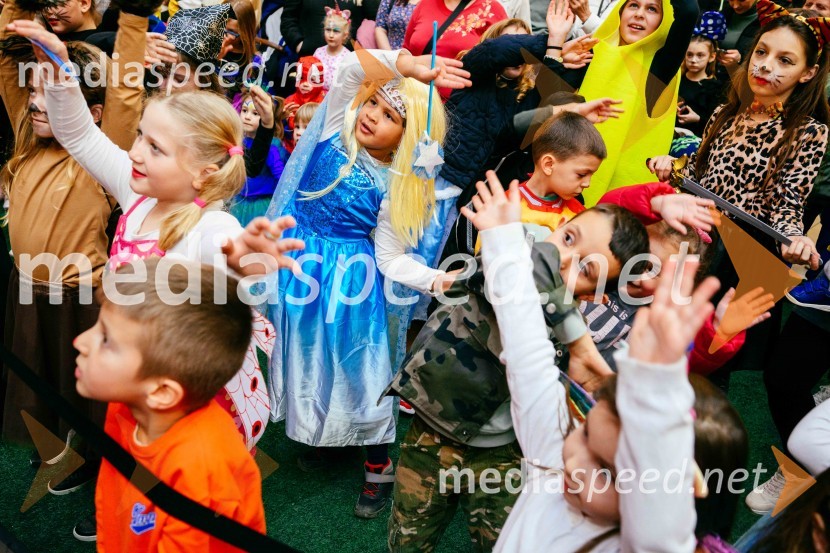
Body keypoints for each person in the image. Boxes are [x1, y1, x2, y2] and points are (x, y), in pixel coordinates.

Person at [465, 176, 748, 552]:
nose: (573, 460)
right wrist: (502, 244)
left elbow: (660, 529)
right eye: (581, 435)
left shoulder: (637, 544)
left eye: (607, 472)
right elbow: (527, 354)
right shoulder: (553, 459)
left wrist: (661, 374)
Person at [385, 176, 650, 551]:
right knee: (408, 541)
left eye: (586, 270)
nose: (564, 260)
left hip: (503, 453)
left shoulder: (578, 327)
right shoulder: (514, 244)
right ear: (558, 226)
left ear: (595, 296)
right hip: (433, 433)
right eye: (569, 238)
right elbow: (521, 277)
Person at [263, 47, 470, 518]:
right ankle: (326, 434)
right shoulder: (336, 127)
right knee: (305, 360)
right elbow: (352, 71)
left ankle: (379, 464)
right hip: (299, 273)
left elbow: (392, 259)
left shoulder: (396, 183)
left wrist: (437, 280)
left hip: (347, 289)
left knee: (361, 373)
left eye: (391, 115)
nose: (372, 116)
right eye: (373, 103)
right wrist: (404, 65)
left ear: (408, 135)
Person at [0, 0, 147, 493]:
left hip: (81, 298)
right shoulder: (29, 134)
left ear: (94, 113)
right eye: (35, 91)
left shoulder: (98, 154)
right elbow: (7, 65)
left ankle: (105, 470)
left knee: (97, 402)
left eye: (53, 93)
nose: (39, 102)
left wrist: (134, 17)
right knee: (50, 386)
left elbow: (126, 93)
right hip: (29, 291)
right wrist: (16, 7)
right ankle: (72, 450)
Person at [74, 259, 267, 551]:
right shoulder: (127, 404)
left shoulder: (201, 471)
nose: (80, 342)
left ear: (163, 391)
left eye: (105, 340)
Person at [548, 0, 699, 205]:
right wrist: (555, 44)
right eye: (633, 5)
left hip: (619, 204)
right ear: (620, 11)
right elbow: (546, 104)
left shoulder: (660, 67)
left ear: (664, 22)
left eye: (652, 9)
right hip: (561, 182)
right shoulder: (593, 51)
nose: (639, 14)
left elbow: (689, 11)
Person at [231, 88, 289, 226]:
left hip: (261, 207)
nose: (247, 116)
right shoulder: (238, 140)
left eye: (255, 113)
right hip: (239, 202)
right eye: (244, 111)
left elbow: (282, 180)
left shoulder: (271, 146)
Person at [677, 12, 727, 137]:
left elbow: (717, 123)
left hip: (697, 140)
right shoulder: (677, 80)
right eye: (689, 55)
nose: (693, 60)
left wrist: (697, 119)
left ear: (712, 57)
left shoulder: (715, 88)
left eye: (700, 55)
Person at [313, 5, 350, 90]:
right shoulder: (318, 53)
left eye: (336, 31)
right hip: (317, 97)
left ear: (345, 35)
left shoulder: (348, 57)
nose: (331, 35)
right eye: (328, 30)